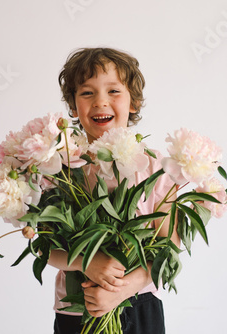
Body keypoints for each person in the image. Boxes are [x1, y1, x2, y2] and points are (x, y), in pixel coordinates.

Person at [49, 47, 180, 334]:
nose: (100, 102)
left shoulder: (155, 167)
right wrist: (87, 263)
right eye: (87, 93)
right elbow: (45, 248)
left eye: (113, 91)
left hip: (140, 303)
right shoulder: (62, 167)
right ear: (72, 107)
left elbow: (169, 245)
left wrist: (126, 288)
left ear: (133, 102)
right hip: (77, 304)